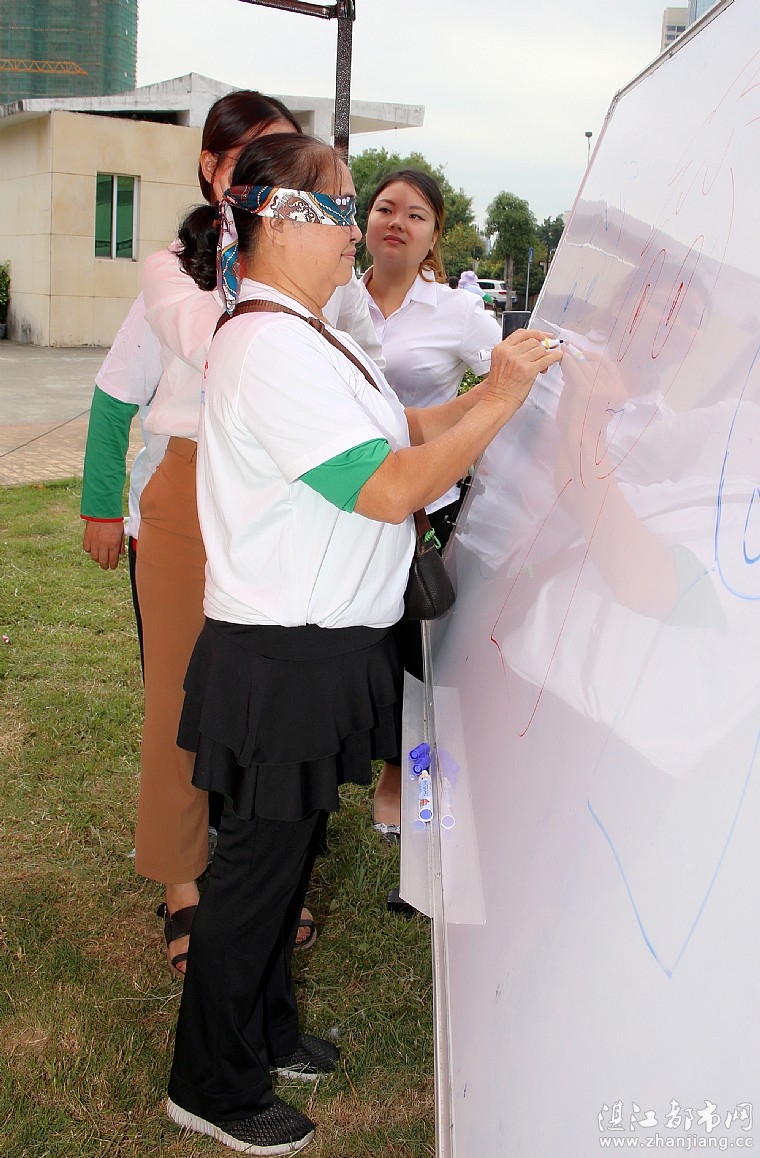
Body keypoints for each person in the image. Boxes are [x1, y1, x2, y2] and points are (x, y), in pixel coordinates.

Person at [162, 130, 560, 1154]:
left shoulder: (308, 331)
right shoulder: (267, 346)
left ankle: (266, 1029)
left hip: (322, 645)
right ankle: (210, 1082)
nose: (356, 231)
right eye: (341, 209)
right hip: (281, 654)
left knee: (289, 858)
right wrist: (503, 401)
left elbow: (406, 431)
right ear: (281, 220)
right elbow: (385, 489)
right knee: (255, 872)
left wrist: (492, 392)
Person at [80, 89, 382, 975]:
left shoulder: (330, 266)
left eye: (286, 158)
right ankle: (183, 883)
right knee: (179, 697)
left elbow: (363, 357)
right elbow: (143, 381)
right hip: (192, 483)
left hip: (290, 487)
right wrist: (101, 505)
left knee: (274, 697)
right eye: (251, 160)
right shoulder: (174, 268)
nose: (270, 174)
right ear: (213, 170)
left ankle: (260, 872)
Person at [360, 169, 503, 837]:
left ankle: (400, 776)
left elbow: (512, 378)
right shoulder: (332, 299)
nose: (397, 222)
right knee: (352, 644)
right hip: (348, 502)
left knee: (417, 651)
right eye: (385, 208)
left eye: (415, 215)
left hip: (425, 511)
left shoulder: (456, 313)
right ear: (365, 220)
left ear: (434, 234)